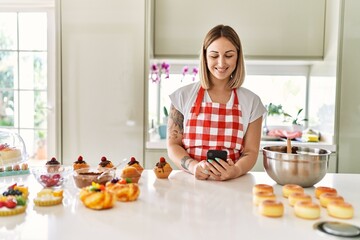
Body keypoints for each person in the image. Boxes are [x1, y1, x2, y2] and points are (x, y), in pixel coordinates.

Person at [167, 24, 266, 181]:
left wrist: (235, 170)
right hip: (190, 185)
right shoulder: (182, 97)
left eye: (228, 55)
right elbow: (173, 146)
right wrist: (193, 167)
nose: (221, 63)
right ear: (205, 57)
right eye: (214, 56)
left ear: (238, 57)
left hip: (234, 186)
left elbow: (251, 152)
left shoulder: (252, 102)